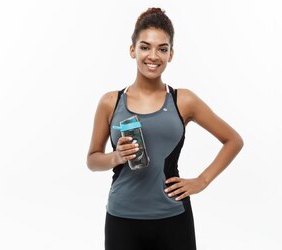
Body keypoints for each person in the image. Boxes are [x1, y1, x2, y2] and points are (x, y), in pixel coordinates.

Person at [86, 7, 244, 250]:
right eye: (145, 47)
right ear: (132, 50)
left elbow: (233, 140)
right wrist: (116, 156)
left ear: (171, 54)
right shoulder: (110, 102)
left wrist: (202, 181)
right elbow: (92, 160)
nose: (153, 56)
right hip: (122, 219)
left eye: (162, 48)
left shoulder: (183, 100)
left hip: (173, 218)